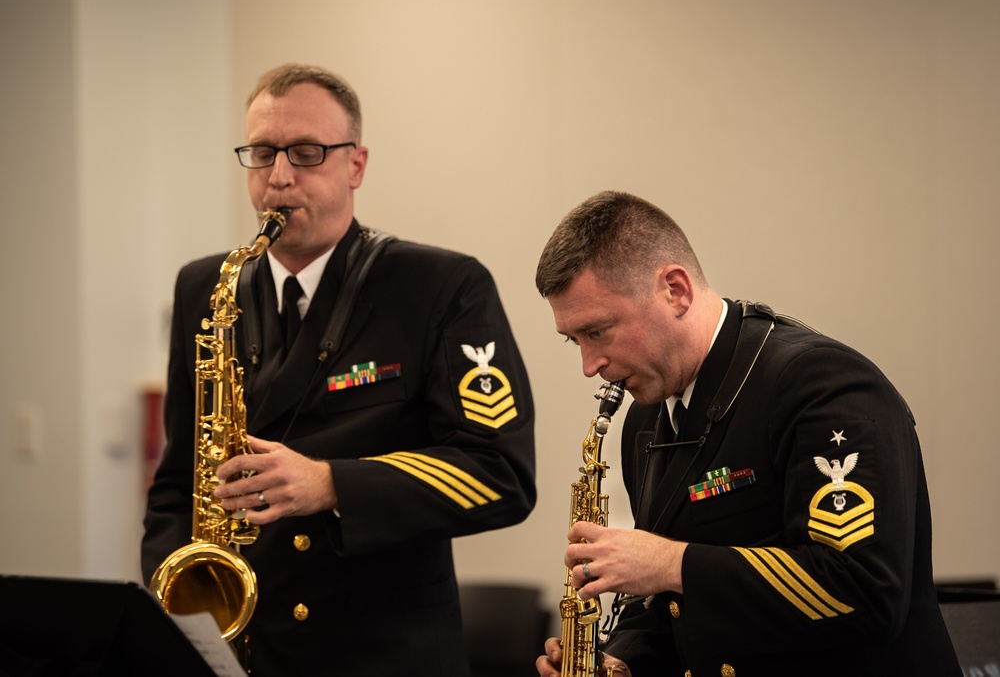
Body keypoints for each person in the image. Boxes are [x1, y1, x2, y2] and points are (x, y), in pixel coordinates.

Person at [142, 63, 536, 676]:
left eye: (305, 153)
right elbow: (177, 481)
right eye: (262, 153)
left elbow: (501, 474)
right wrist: (184, 600)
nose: (278, 177)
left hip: (382, 656)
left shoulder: (442, 286)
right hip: (246, 651)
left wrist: (332, 484)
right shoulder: (204, 286)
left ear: (356, 164)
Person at [533, 191, 961, 676]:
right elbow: (667, 606)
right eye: (575, 340)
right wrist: (621, 663)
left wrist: (674, 563)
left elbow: (864, 590)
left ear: (675, 290)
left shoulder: (823, 385)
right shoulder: (646, 421)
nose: (590, 367)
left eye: (598, 332)